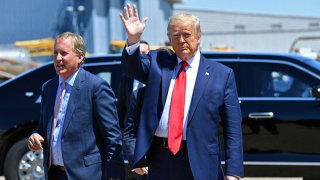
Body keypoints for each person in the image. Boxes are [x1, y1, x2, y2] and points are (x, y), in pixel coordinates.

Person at [120, 4, 243, 180]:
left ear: (199, 37)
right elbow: (131, 69)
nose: (181, 40)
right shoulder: (158, 62)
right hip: (159, 159)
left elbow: (233, 129)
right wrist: (133, 39)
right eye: (175, 36)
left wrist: (233, 171)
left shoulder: (221, 74)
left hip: (201, 161)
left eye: (187, 35)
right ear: (169, 39)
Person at [27, 32, 125, 180]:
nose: (58, 58)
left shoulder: (96, 87)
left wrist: (114, 174)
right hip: (54, 173)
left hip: (87, 174)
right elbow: (44, 126)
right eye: (55, 53)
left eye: (64, 53)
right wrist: (36, 135)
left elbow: (112, 135)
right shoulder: (49, 87)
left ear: (80, 57)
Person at [117, 40, 150, 179]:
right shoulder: (126, 79)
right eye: (138, 53)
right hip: (137, 147)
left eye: (144, 53)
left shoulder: (158, 78)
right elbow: (123, 113)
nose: (141, 56)